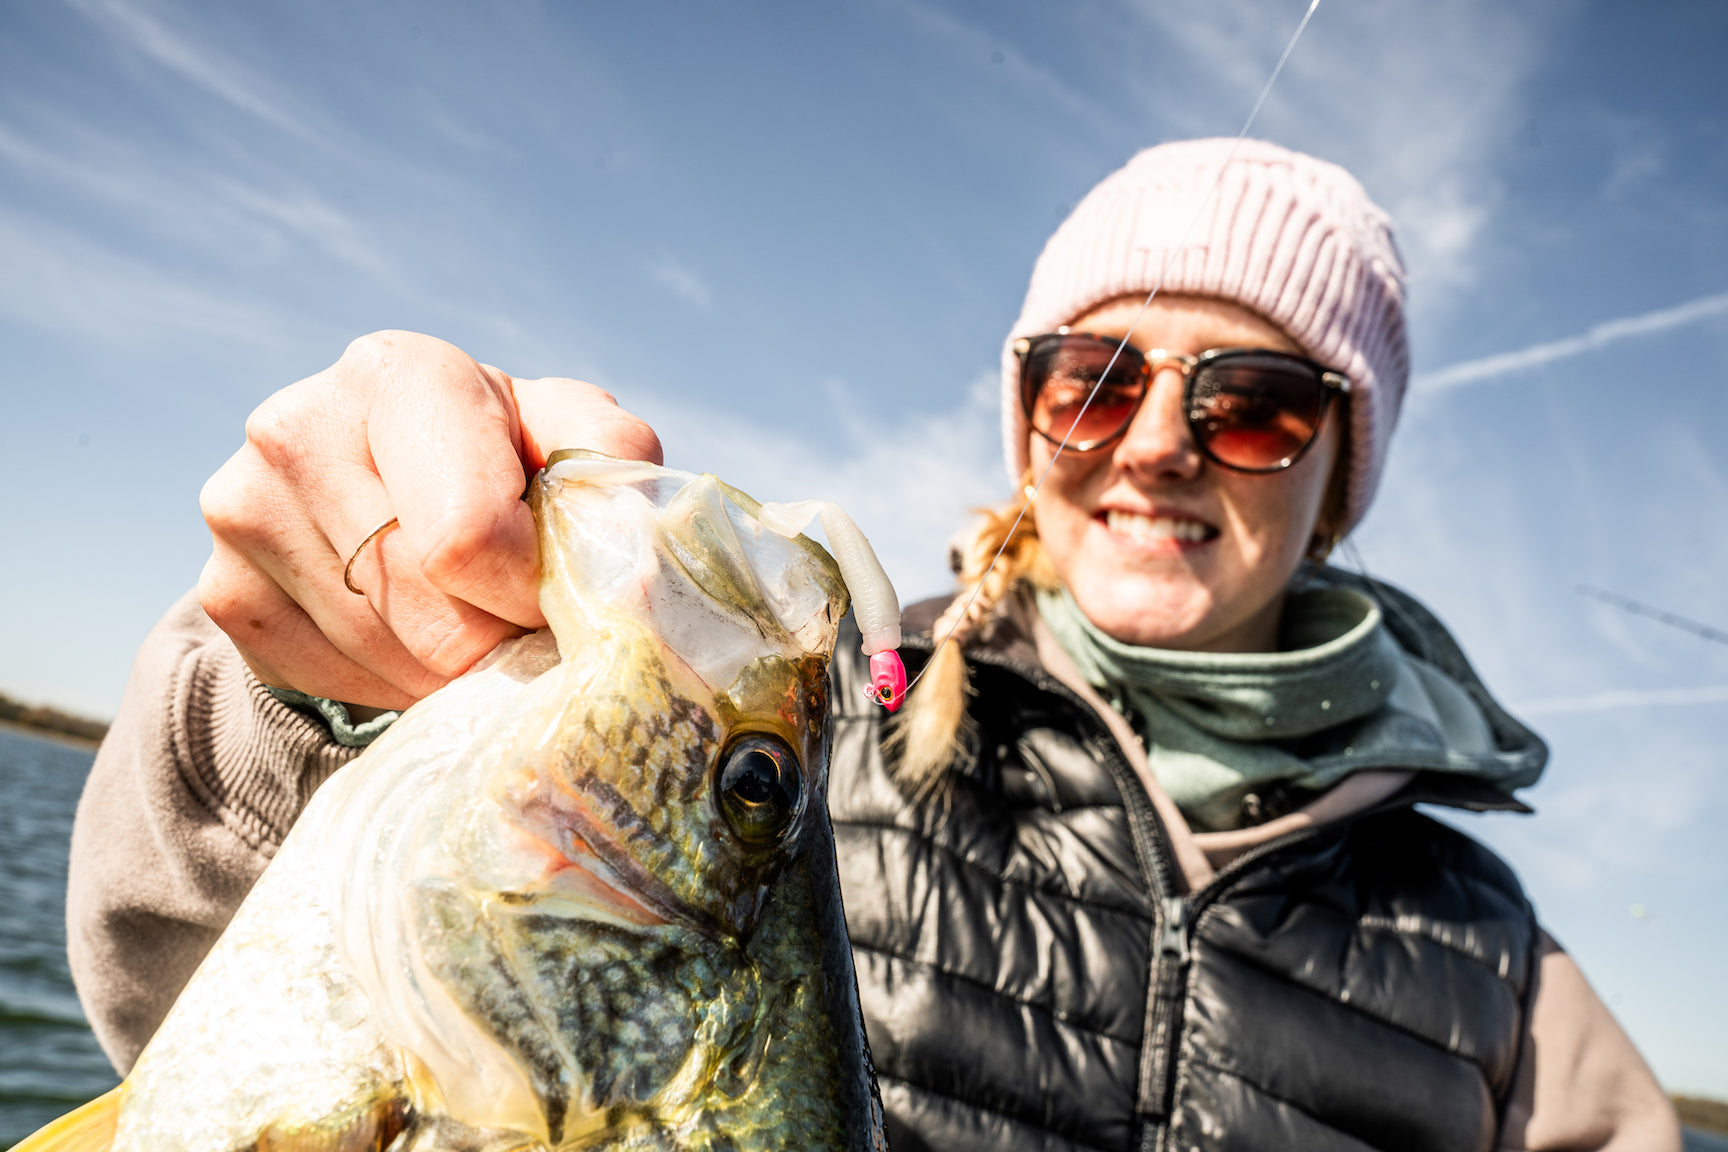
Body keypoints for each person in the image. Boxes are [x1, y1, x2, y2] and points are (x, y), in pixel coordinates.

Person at [66, 139, 1681, 1151]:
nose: (1162, 444)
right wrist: (318, 691)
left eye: (1257, 405)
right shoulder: (834, 715)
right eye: (1096, 379)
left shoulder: (1497, 966)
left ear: (1340, 480)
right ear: (1031, 419)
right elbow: (200, 1001)